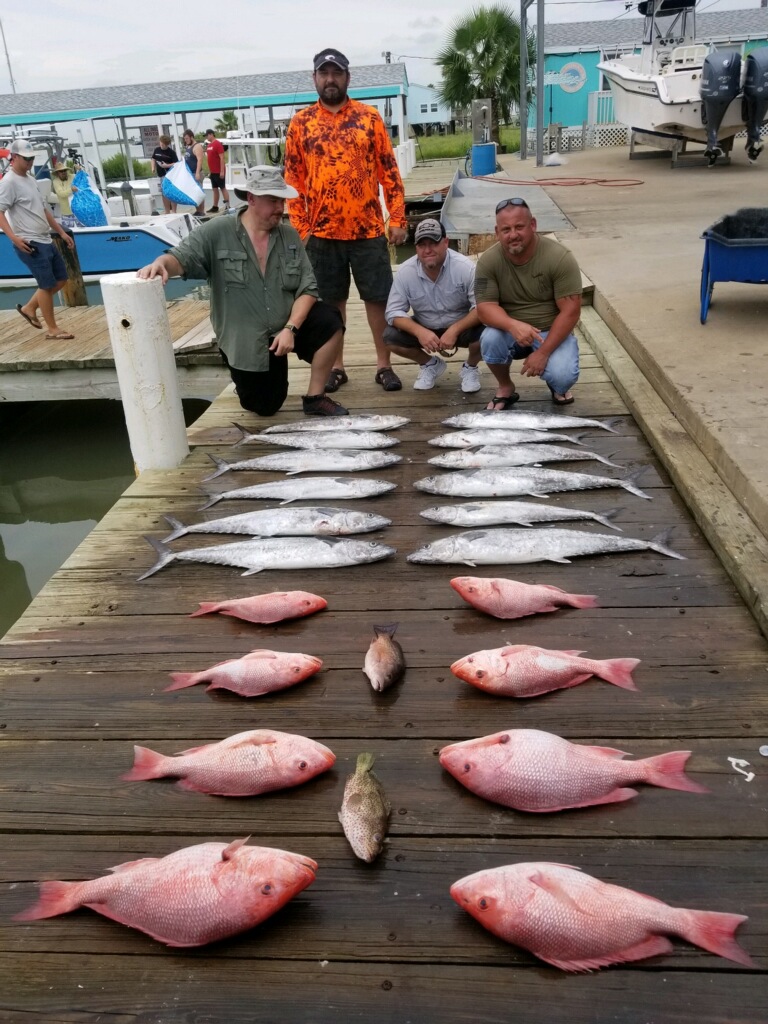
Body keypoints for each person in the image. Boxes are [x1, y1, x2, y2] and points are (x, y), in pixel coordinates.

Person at [137, 166, 348, 418]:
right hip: (248, 340)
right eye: (272, 200)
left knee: (331, 321)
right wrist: (162, 264)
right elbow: (182, 257)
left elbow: (308, 288)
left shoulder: (290, 236)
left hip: (287, 327)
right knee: (264, 406)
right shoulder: (216, 231)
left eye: (282, 200)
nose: (280, 208)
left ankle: (315, 397)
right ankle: (245, 380)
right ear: (251, 199)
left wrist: (291, 328)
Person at [284, 46, 407, 394]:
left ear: (347, 78)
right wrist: (302, 229)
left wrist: (397, 216)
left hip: (368, 229)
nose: (330, 79)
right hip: (321, 234)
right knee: (330, 305)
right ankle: (336, 367)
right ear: (315, 79)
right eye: (324, 73)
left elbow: (390, 173)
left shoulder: (369, 119)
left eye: (336, 73)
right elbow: (292, 182)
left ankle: (384, 365)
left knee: (378, 299)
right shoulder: (301, 124)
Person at [475, 197, 582, 408]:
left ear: (533, 225)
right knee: (489, 339)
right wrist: (513, 325)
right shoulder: (488, 261)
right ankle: (505, 386)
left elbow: (571, 311)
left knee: (562, 377)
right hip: (510, 331)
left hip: (549, 332)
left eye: (519, 227)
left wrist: (542, 353)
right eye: (506, 230)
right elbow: (484, 309)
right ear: (497, 233)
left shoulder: (560, 257)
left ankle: (555, 384)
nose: (513, 235)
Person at [384, 218, 483, 392]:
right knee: (389, 336)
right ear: (416, 248)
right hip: (425, 324)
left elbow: (482, 307)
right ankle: (429, 364)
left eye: (433, 243)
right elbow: (392, 311)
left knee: (489, 333)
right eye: (422, 245)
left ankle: (471, 367)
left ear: (445, 242)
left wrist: (455, 330)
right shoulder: (406, 272)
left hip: (462, 325)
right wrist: (419, 332)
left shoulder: (466, 268)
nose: (428, 250)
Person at [0, 139, 76, 340]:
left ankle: (29, 308)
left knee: (60, 279)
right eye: (26, 159)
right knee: (45, 284)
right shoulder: (8, 182)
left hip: (45, 239)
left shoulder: (31, 179)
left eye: (32, 158)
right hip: (29, 242)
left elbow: (44, 210)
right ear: (14, 158)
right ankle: (52, 329)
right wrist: (14, 238)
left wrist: (60, 232)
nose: (30, 162)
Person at [150, 134, 179, 213]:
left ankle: (174, 211)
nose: (161, 145)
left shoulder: (171, 152)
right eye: (161, 143)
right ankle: (167, 211)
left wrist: (167, 165)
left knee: (172, 192)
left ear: (167, 144)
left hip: (170, 175)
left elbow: (176, 163)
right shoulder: (157, 150)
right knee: (164, 193)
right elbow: (153, 158)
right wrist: (153, 168)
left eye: (163, 144)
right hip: (161, 174)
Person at [204, 129, 229, 214]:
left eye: (207, 135)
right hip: (213, 171)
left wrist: (222, 171)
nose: (207, 137)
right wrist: (210, 171)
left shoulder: (217, 144)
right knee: (214, 189)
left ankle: (227, 205)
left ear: (211, 134)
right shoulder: (209, 145)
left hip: (219, 171)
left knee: (222, 188)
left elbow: (222, 158)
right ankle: (215, 206)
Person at [182, 129, 205, 215]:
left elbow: (200, 160)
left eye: (187, 138)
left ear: (191, 137)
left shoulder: (197, 146)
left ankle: (201, 211)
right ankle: (198, 210)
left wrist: (198, 172)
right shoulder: (188, 147)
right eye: (185, 139)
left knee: (198, 192)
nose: (186, 140)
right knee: (194, 193)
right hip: (190, 173)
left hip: (196, 172)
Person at [49, 162, 77, 229]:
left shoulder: (73, 176)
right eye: (61, 171)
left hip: (77, 210)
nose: (63, 172)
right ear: (57, 173)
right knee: (69, 233)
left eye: (64, 170)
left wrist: (80, 170)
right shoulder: (55, 181)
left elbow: (83, 177)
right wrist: (71, 190)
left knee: (83, 230)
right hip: (66, 213)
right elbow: (62, 194)